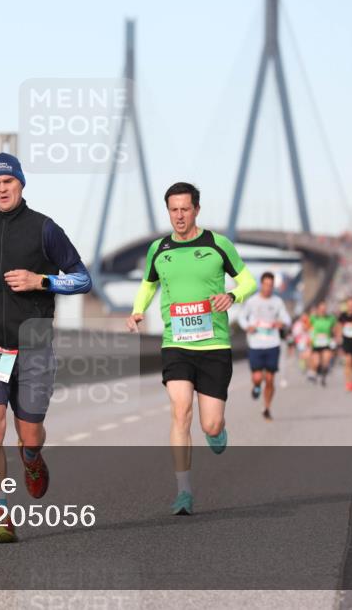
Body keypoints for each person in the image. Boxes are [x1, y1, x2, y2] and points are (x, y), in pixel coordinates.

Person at [0, 152, 91, 543]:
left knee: (30, 434)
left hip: (33, 348)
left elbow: (82, 278)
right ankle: (0, 513)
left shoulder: (44, 229)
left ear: (21, 183)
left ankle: (31, 457)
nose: (3, 188)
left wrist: (41, 281)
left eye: (9, 181)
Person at [125, 182, 256, 516]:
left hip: (214, 345)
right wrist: (138, 309)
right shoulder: (160, 249)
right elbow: (148, 284)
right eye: (173, 210)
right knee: (180, 410)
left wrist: (233, 296)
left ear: (196, 209)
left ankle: (217, 431)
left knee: (209, 424)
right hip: (176, 344)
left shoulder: (217, 244)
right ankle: (183, 492)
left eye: (185, 209)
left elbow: (248, 280)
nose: (179, 216)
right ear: (167, 211)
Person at [237, 271, 291, 421]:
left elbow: (286, 317)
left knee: (270, 379)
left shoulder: (277, 302)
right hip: (255, 343)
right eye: (266, 285)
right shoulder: (252, 301)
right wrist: (248, 326)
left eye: (271, 285)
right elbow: (242, 317)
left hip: (272, 343)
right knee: (257, 377)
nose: (268, 288)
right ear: (261, 284)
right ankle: (256, 386)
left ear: (273, 286)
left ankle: (266, 407)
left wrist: (283, 322)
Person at [307, 301, 338, 386]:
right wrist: (310, 337)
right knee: (316, 362)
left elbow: (335, 328)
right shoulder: (313, 318)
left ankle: (323, 376)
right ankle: (315, 373)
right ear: (318, 309)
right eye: (321, 309)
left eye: (324, 309)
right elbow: (307, 327)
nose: (323, 310)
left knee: (326, 359)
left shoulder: (331, 318)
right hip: (316, 343)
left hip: (326, 342)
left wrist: (335, 337)